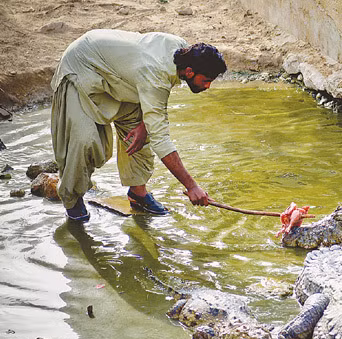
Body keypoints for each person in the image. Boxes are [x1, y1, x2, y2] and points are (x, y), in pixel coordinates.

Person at [50, 29, 227, 222]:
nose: (208, 86)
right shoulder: (156, 72)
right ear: (190, 72)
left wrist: (144, 125)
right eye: (206, 81)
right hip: (83, 67)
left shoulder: (183, 52)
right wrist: (192, 186)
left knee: (142, 133)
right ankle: (73, 200)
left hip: (123, 80)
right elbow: (162, 140)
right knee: (83, 141)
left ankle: (137, 193)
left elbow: (154, 102)